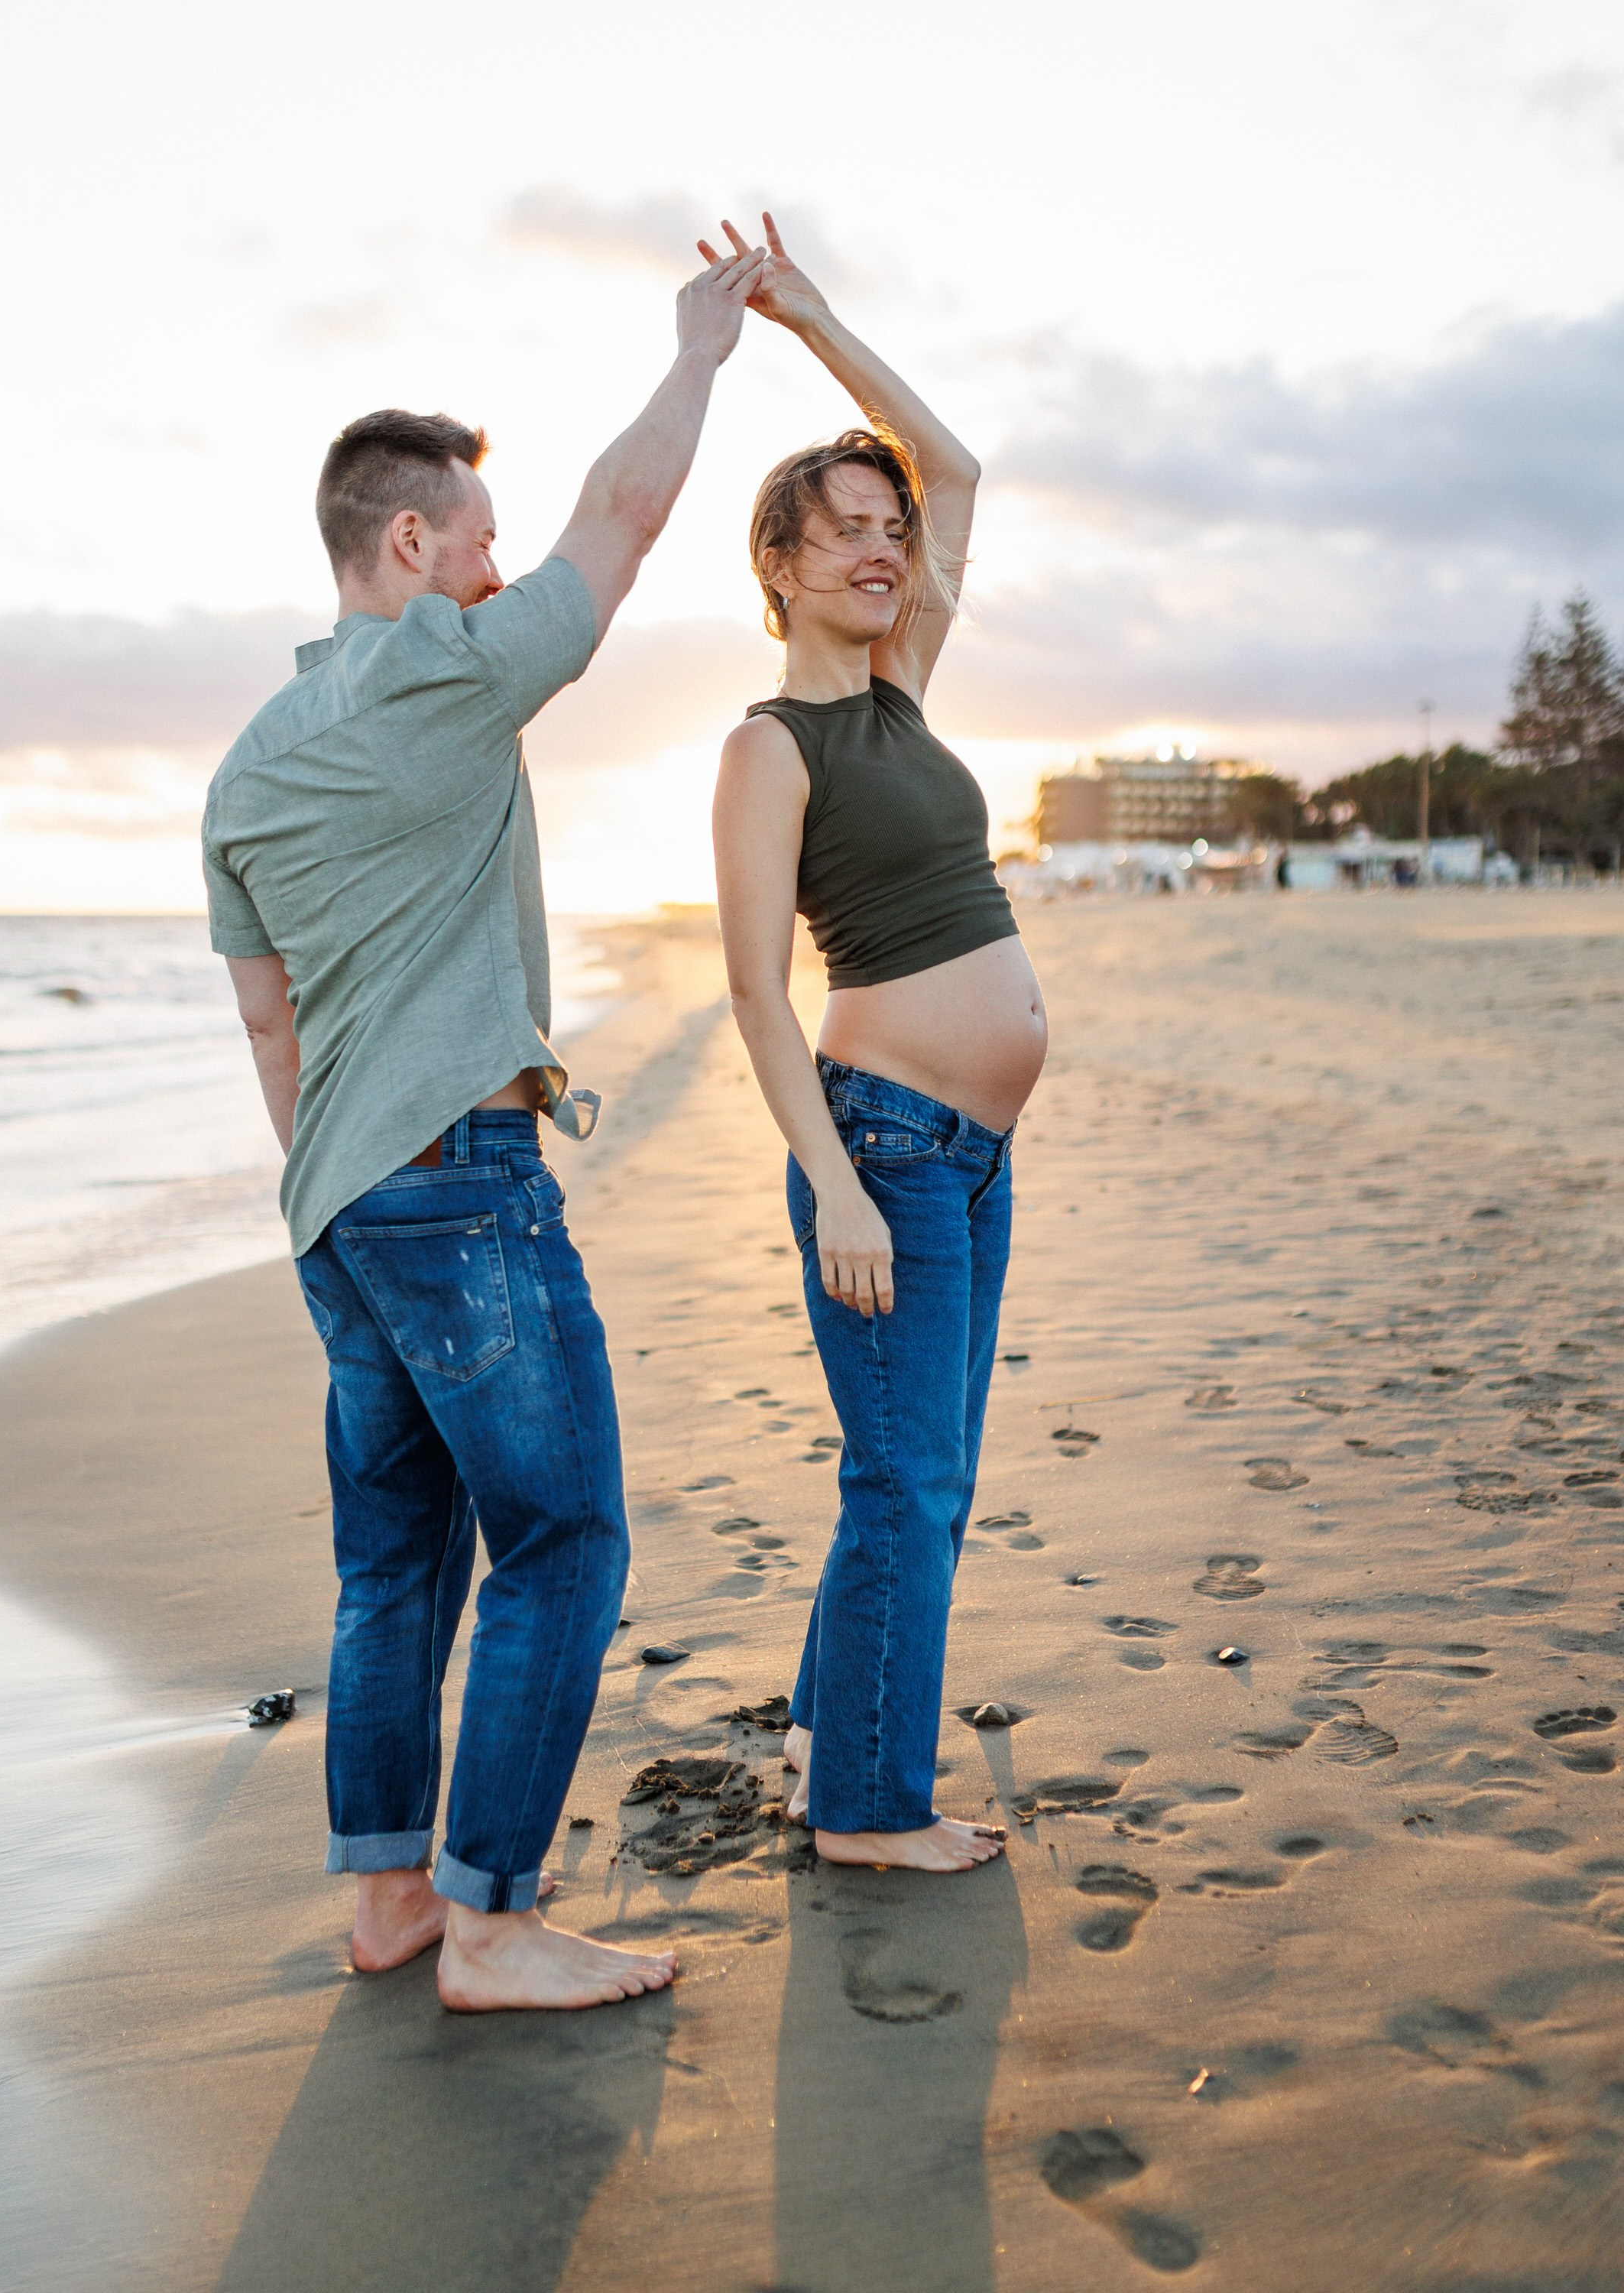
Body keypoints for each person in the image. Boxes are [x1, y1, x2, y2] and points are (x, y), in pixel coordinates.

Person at [204, 244, 768, 2009]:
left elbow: (270, 1021)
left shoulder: (245, 765)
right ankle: (500, 1925)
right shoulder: (440, 675)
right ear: (408, 551)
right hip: (456, 1174)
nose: (499, 565)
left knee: (395, 1565)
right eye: (476, 540)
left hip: (338, 1206)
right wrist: (699, 349)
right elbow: (624, 513)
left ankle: (390, 1903)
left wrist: (334, 1192)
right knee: (562, 1539)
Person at [710, 216, 1049, 1874]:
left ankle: (817, 1723)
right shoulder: (771, 746)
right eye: (840, 530)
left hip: (970, 1161)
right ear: (775, 565)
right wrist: (833, 1182)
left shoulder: (902, 690)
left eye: (885, 532)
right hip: (887, 1153)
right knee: (908, 1487)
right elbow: (761, 998)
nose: (880, 549)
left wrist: (817, 319)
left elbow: (959, 467)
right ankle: (864, 1810)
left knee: (917, 1476)